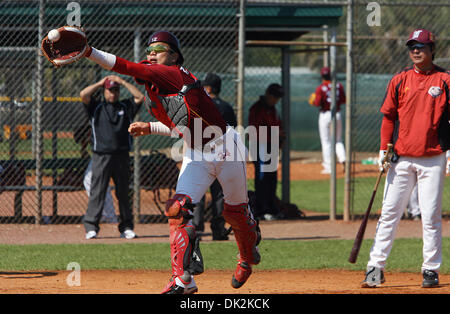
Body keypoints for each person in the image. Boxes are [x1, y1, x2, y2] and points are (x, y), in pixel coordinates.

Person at [83, 31, 261, 294]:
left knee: (235, 213)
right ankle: (183, 280)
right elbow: (181, 127)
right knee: (176, 209)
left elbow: (123, 66)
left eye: (160, 48)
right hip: (196, 152)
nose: (152, 53)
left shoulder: (173, 73)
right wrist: (150, 127)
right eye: (149, 49)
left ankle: (247, 257)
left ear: (174, 55)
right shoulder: (155, 88)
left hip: (227, 149)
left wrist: (89, 51)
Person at [361, 28, 449, 288]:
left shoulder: (445, 79)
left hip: (433, 158)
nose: (416, 50)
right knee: (389, 212)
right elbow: (388, 117)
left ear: (433, 49)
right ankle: (375, 267)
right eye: (412, 46)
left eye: (421, 46)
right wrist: (382, 149)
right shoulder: (400, 80)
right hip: (401, 158)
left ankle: (430, 270)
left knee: (430, 215)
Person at [80, 75, 144, 240]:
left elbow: (139, 97)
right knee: (97, 192)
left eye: (115, 90)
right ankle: (91, 227)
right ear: (104, 91)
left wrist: (122, 82)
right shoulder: (96, 107)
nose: (113, 93)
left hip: (122, 155)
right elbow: (83, 95)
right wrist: (100, 83)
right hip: (101, 156)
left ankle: (126, 227)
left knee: (123, 193)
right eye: (110, 90)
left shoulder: (125, 106)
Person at [192, 73, 237, 241]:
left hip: (202, 152)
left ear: (209, 88)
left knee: (198, 191)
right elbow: (232, 133)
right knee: (219, 194)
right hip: (222, 154)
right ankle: (218, 230)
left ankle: (195, 228)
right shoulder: (227, 107)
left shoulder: (202, 104)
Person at [248, 83, 286, 221]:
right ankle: (261, 209)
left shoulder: (274, 110)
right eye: (274, 96)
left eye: (278, 98)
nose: (276, 100)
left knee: (272, 177)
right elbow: (256, 131)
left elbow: (279, 126)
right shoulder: (257, 109)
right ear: (268, 94)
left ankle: (270, 206)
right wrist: (275, 134)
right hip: (260, 146)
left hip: (271, 146)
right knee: (262, 177)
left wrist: (281, 139)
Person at [74, 122, 117, 223]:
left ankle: (107, 215)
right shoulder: (97, 126)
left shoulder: (99, 126)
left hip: (106, 152)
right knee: (99, 183)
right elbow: (84, 150)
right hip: (109, 151)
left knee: (90, 181)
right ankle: (108, 215)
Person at [309, 67, 346, 174]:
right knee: (338, 140)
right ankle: (343, 159)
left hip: (325, 114)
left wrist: (313, 101)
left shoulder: (321, 88)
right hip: (337, 113)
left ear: (322, 76)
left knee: (326, 141)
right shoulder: (338, 85)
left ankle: (329, 167)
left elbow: (317, 103)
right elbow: (344, 100)